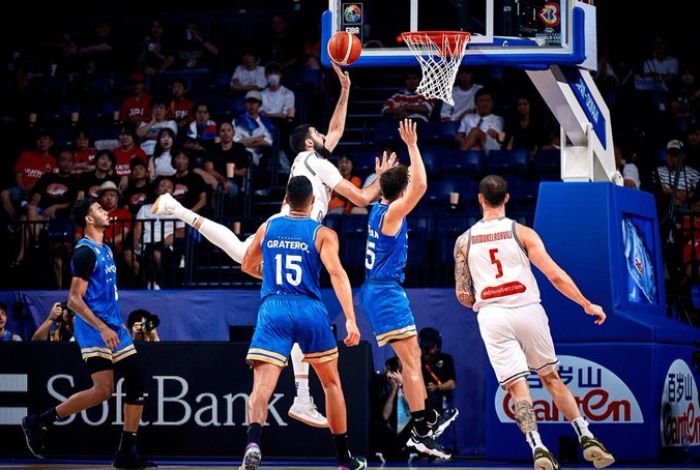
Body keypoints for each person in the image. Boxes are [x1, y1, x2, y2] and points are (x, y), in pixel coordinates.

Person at [151, 63, 396, 428]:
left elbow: (334, 130)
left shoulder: (307, 157)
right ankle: (301, 397)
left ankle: (175, 208)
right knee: (299, 304)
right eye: (317, 133)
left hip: (280, 229)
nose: (325, 136)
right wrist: (386, 178)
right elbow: (360, 196)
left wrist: (344, 92)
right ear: (310, 142)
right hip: (300, 235)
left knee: (242, 254)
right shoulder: (319, 163)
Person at [453, 175, 615, 470]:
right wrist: (586, 303)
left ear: (479, 199)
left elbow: (463, 294)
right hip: (527, 308)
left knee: (517, 388)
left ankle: (537, 446)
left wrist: (483, 291)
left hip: (492, 314)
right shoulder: (523, 233)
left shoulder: (464, 241)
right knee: (551, 377)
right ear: (507, 198)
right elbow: (554, 275)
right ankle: (587, 435)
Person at [238, 175, 366, 470]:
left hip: (274, 308)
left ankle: (253, 444)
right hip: (309, 308)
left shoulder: (268, 226)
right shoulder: (322, 233)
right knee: (331, 383)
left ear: (285, 199)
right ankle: (344, 459)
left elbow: (246, 264)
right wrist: (350, 319)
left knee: (261, 387)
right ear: (312, 202)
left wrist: (269, 277)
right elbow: (337, 274)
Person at [22, 199, 156, 469]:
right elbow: (73, 299)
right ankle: (40, 421)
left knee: (137, 379)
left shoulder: (105, 248)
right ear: (88, 219)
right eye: (98, 209)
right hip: (94, 328)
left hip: (113, 325)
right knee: (104, 390)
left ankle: (126, 451)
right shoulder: (84, 253)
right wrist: (102, 327)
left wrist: (112, 325)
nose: (105, 210)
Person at [360, 120, 457, 459]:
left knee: (411, 359)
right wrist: (413, 146)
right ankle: (420, 430)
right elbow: (420, 186)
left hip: (377, 290)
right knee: (411, 362)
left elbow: (387, 187)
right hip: (385, 293)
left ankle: (423, 421)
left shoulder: (376, 206)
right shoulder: (393, 213)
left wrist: (384, 174)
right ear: (399, 191)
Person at [418, 328, 456, 412]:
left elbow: (452, 384)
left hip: (442, 402)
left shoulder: (445, 359)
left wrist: (437, 387)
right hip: (423, 403)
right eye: (425, 348)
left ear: (437, 346)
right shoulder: (418, 361)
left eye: (430, 347)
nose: (427, 351)